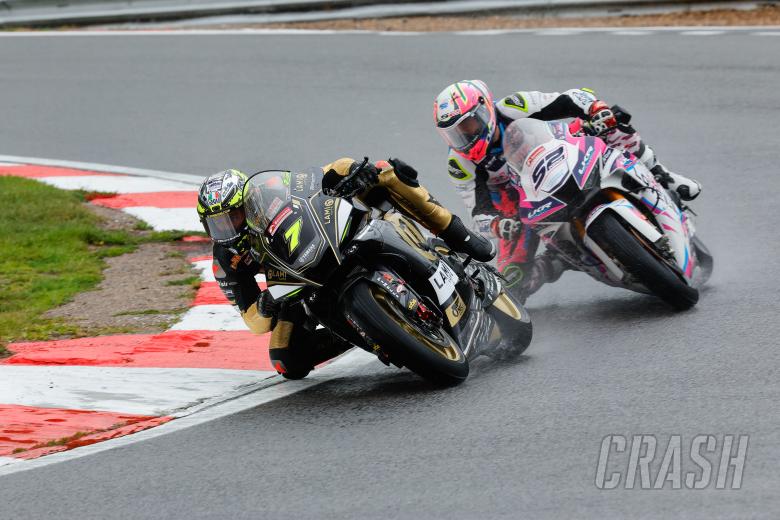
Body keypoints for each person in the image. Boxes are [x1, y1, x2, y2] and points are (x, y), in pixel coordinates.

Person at [196, 159, 493, 379]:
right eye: (217, 224)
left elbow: (318, 175)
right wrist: (265, 303)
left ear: (246, 204)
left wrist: (351, 172)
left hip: (333, 236)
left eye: (231, 217)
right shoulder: (226, 259)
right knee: (286, 359)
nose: (227, 229)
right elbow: (253, 321)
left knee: (385, 171)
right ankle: (365, 329)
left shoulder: (270, 190)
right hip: (297, 282)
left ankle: (459, 234)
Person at [433, 79, 702, 300]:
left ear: (484, 109)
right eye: (454, 133)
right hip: (517, 202)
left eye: (467, 125)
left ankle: (662, 175)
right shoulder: (460, 163)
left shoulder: (514, 106)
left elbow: (571, 98)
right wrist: (498, 225)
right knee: (513, 282)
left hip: (557, 155)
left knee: (614, 122)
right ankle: (560, 259)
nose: (464, 137)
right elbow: (476, 212)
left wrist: (596, 109)